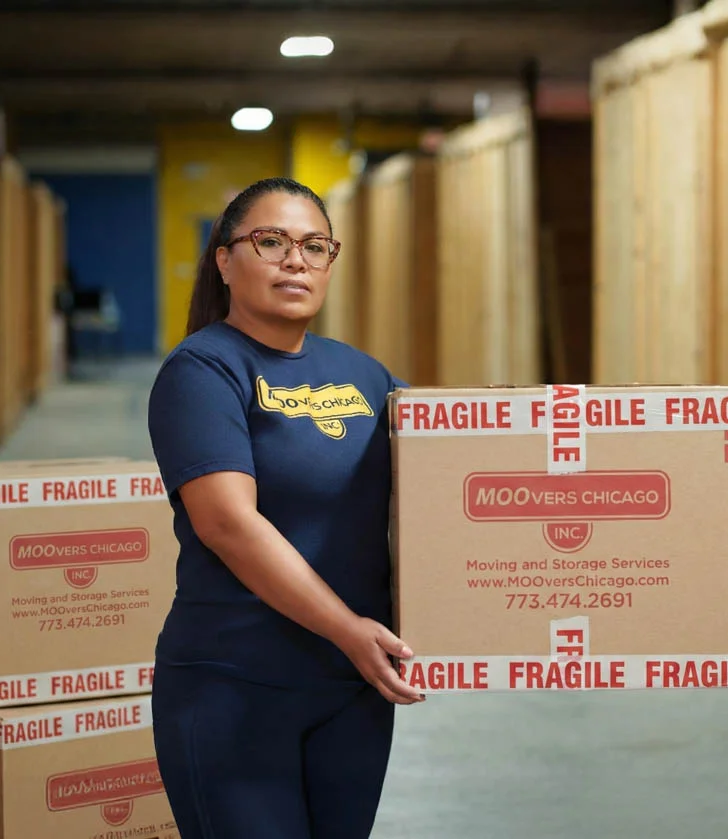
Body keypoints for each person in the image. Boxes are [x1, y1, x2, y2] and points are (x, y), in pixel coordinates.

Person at [146, 176, 424, 839]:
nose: (295, 260)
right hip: (235, 687)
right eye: (270, 241)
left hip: (351, 691)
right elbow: (228, 524)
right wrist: (349, 629)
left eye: (315, 245)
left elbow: (451, 476)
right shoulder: (204, 371)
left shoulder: (365, 375)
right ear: (224, 257)